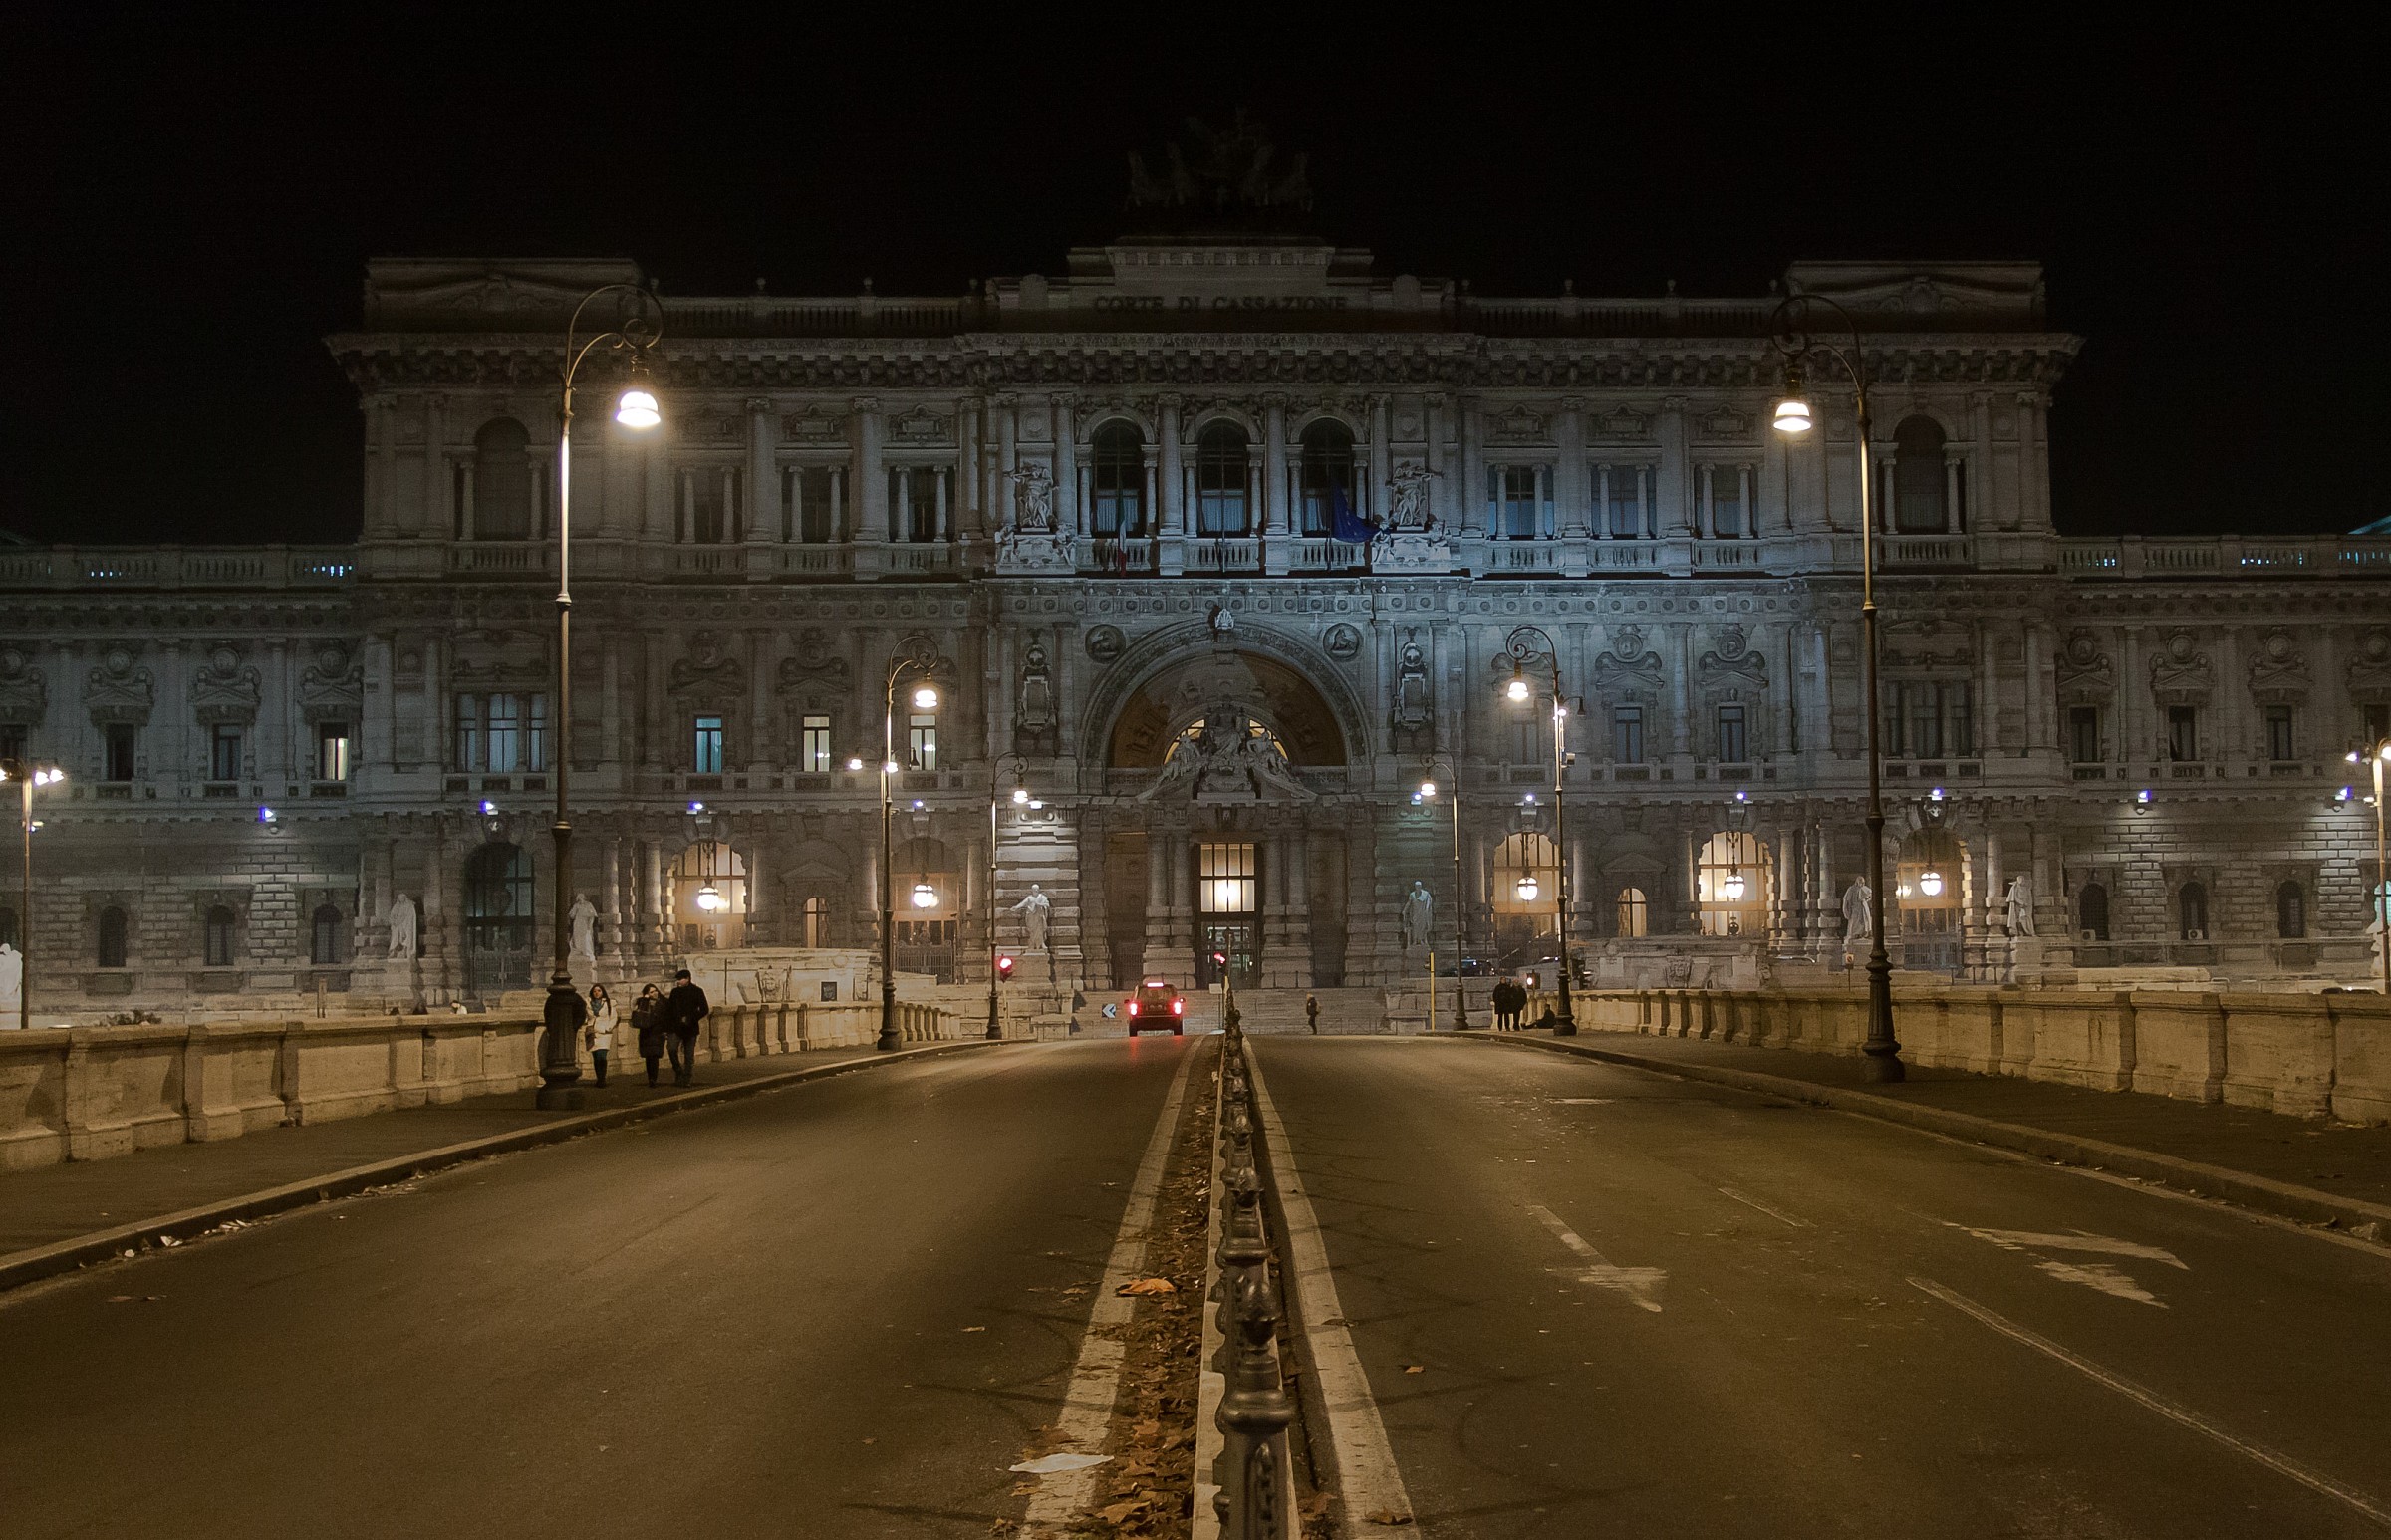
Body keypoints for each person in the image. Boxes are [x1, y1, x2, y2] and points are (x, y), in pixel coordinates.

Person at [666, 968, 710, 1087]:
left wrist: (691, 1018)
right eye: (678, 980)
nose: (679, 982)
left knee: (689, 1055)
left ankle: (687, 1078)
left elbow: (704, 1009)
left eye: (681, 979)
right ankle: (679, 1071)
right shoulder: (675, 992)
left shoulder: (697, 991)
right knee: (672, 1049)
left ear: (688, 979)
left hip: (690, 1027)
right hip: (675, 1027)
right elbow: (669, 1010)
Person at [632, 984, 667, 1087]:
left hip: (657, 1032)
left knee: (654, 1056)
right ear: (646, 994)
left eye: (655, 991)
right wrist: (644, 1000)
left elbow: (666, 1017)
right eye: (651, 992)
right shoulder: (642, 1002)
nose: (654, 993)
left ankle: (653, 1079)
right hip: (646, 1032)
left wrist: (666, 1030)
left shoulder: (663, 1003)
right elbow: (639, 1014)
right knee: (648, 1057)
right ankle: (650, 1078)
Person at [584, 983, 616, 1089]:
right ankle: (599, 1077)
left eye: (599, 991)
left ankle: (602, 1078)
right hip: (592, 1033)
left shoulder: (609, 1004)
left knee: (602, 1056)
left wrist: (608, 1028)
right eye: (594, 991)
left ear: (602, 992)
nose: (596, 993)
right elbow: (585, 1017)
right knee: (596, 1057)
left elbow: (613, 1017)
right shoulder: (588, 1003)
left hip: (604, 1033)